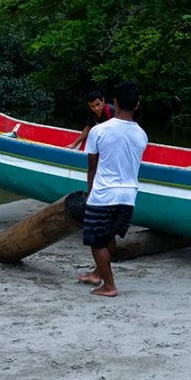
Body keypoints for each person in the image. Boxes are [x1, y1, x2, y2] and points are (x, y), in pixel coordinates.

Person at [77, 82, 148, 297]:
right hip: (128, 196)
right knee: (108, 236)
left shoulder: (99, 131)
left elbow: (92, 168)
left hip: (104, 193)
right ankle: (98, 274)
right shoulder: (142, 135)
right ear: (137, 105)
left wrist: (90, 194)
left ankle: (109, 285)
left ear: (114, 102)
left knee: (95, 240)